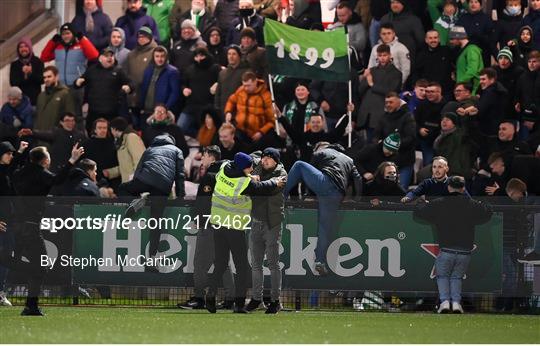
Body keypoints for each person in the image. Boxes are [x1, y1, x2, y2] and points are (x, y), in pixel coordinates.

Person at [9, 144, 84, 315]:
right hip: (31, 227)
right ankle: (31, 306)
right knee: (39, 267)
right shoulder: (40, 174)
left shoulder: (18, 174)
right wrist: (72, 160)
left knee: (19, 263)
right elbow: (57, 180)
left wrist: (19, 153)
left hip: (17, 225)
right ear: (45, 160)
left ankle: (30, 305)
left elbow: (12, 169)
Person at [205, 152, 286, 313]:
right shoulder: (243, 182)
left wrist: (250, 176)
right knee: (242, 267)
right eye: (249, 168)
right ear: (243, 168)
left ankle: (210, 295)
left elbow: (218, 165)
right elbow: (262, 188)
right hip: (234, 228)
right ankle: (239, 304)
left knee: (220, 263)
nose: (251, 170)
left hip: (217, 224)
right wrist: (275, 181)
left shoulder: (223, 168)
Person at [413, 175, 492, 314]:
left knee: (442, 276)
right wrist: (485, 202)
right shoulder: (471, 204)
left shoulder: (439, 203)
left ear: (448, 187)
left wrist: (420, 202)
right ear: (463, 188)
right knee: (457, 278)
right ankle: (456, 303)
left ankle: (444, 302)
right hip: (465, 252)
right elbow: (487, 211)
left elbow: (420, 212)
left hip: (446, 250)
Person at [284, 143, 362, 276]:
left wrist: (309, 195)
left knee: (299, 165)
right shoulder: (350, 160)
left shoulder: (324, 152)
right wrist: (357, 199)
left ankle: (281, 195)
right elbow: (358, 179)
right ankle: (320, 261)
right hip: (337, 194)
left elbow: (310, 170)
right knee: (324, 228)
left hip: (325, 182)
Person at [178, 145, 236, 310]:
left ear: (211, 156)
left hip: (211, 225)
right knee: (223, 263)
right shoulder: (230, 174)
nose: (202, 159)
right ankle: (231, 298)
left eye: (203, 156)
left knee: (200, 263)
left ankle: (199, 298)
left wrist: (197, 219)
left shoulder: (210, 175)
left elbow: (203, 201)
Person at [120, 134, 185, 270]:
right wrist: (180, 197)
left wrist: (137, 190)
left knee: (122, 188)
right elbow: (180, 175)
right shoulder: (177, 151)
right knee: (156, 223)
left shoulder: (149, 149)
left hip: (145, 179)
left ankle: (136, 202)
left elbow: (138, 169)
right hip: (163, 187)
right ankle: (152, 259)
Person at [244, 148, 287, 314]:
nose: (265, 160)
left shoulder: (282, 173)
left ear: (276, 160)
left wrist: (254, 182)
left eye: (269, 158)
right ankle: (256, 299)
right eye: (264, 157)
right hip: (256, 222)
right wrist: (251, 180)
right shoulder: (257, 169)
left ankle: (275, 301)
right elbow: (248, 187)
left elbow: (264, 189)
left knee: (273, 264)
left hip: (272, 224)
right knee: (255, 264)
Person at [74, 47, 133, 135]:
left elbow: (130, 83)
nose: (110, 58)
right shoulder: (92, 70)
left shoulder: (118, 70)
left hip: (112, 112)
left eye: (111, 56)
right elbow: (80, 82)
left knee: (109, 136)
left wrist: (129, 87)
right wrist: (77, 82)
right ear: (100, 58)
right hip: (94, 112)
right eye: (106, 56)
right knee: (93, 135)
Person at [0, 140, 28, 307]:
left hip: (7, 222)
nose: (11, 156)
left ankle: (1, 292)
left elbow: (13, 165)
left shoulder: (6, 172)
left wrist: (19, 151)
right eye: (8, 153)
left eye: (11, 153)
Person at [359, 44, 403, 141]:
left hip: (382, 112)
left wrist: (372, 84)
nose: (382, 58)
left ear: (390, 55)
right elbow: (360, 90)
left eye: (384, 55)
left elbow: (392, 92)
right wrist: (363, 78)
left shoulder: (396, 73)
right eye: (380, 55)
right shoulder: (371, 71)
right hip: (367, 113)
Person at [373, 92, 417, 189]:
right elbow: (376, 135)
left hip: (404, 161)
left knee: (400, 190)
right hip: (387, 163)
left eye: (391, 102)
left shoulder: (407, 116)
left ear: (398, 102)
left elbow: (410, 138)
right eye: (386, 102)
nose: (388, 105)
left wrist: (391, 146)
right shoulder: (383, 118)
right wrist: (379, 143)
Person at [18, 113, 87, 173]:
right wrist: (31, 133)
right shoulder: (56, 133)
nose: (70, 123)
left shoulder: (80, 135)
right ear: (61, 122)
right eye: (67, 120)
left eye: (72, 120)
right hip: (57, 167)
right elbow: (43, 135)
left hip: (74, 167)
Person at [40, 22, 99, 90]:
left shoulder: (81, 46)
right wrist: (52, 42)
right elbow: (43, 57)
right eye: (63, 34)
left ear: (73, 34)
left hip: (77, 85)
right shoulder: (58, 48)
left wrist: (82, 39)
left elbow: (94, 55)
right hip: (61, 86)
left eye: (68, 33)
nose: (66, 36)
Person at [224, 71, 275, 149]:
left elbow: (272, 120)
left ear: (255, 82)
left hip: (257, 133)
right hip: (240, 130)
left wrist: (261, 132)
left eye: (248, 85)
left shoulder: (265, 96)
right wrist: (228, 112)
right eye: (244, 85)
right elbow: (231, 101)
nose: (246, 88)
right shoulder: (241, 90)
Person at [179, 46, 221, 137]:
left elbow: (222, 80)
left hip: (207, 106)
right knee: (180, 127)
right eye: (197, 56)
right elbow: (183, 83)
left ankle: (203, 138)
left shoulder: (215, 68)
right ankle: (199, 136)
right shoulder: (189, 69)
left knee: (209, 130)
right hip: (191, 105)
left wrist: (217, 84)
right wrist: (184, 89)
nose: (199, 59)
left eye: (202, 56)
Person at [124, 26, 158, 123]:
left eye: (144, 36)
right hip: (133, 94)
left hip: (149, 95)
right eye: (139, 37)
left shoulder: (155, 52)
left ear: (150, 37)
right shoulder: (131, 54)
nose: (141, 39)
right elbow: (127, 73)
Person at [139, 46, 180, 123]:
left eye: (162, 56)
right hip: (146, 110)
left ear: (166, 57)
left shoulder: (172, 72)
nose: (159, 59)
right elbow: (143, 87)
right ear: (153, 57)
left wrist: (165, 108)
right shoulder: (149, 69)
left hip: (162, 113)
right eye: (157, 56)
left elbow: (175, 93)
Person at [380, 0, 425, 65]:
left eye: (398, 2)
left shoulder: (414, 20)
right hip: (388, 62)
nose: (395, 5)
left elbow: (421, 41)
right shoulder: (385, 19)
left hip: (409, 60)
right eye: (392, 2)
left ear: (404, 4)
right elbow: (381, 40)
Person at [103, 117, 146, 183]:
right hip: (128, 182)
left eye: (111, 130)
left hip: (135, 183)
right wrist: (111, 172)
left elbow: (140, 159)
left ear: (114, 129)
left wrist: (135, 178)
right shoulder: (122, 141)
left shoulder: (131, 137)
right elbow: (126, 165)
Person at [34, 66, 76, 132]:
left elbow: (70, 116)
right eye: (44, 77)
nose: (46, 79)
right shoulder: (41, 96)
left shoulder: (65, 94)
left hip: (56, 137)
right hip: (41, 136)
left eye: (49, 76)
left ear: (56, 77)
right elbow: (37, 117)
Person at [82, 118, 120, 188]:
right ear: (95, 130)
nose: (102, 130)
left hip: (111, 180)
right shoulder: (87, 144)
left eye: (104, 128)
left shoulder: (113, 144)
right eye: (99, 128)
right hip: (91, 179)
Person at [414, 82, 446, 165]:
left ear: (439, 92)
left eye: (432, 92)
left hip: (442, 141)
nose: (428, 94)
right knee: (429, 164)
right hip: (426, 141)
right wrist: (419, 129)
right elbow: (414, 121)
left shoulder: (446, 105)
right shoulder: (422, 104)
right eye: (427, 92)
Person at [414, 30, 454, 96]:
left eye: (435, 38)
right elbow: (416, 72)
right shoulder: (421, 55)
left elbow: (455, 65)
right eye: (430, 38)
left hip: (446, 91)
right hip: (428, 92)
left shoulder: (446, 51)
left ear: (439, 39)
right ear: (426, 40)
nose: (433, 40)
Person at [214, 45, 250, 113]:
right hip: (224, 111)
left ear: (239, 56)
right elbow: (218, 92)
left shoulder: (247, 72)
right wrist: (217, 107)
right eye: (229, 54)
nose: (231, 56)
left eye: (234, 54)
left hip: (240, 111)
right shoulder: (222, 73)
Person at [448, 26, 484, 94]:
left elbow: (472, 70)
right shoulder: (462, 50)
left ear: (458, 37)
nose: (450, 42)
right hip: (464, 88)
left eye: (452, 39)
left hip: (471, 90)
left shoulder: (471, 49)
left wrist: (460, 83)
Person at [9, 38, 44, 106]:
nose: (23, 49)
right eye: (21, 47)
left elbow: (42, 80)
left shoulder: (38, 62)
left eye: (26, 46)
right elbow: (13, 83)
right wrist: (24, 75)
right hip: (19, 102)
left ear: (30, 47)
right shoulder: (15, 64)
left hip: (34, 101)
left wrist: (31, 73)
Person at [476, 68, 509, 137]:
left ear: (492, 80)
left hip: (487, 131)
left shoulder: (489, 92)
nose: (480, 82)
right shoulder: (499, 89)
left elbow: (480, 111)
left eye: (483, 79)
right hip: (495, 129)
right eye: (480, 79)